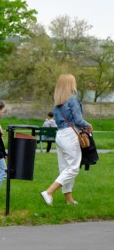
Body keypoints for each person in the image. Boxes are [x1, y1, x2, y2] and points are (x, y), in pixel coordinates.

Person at [41, 74, 93, 206]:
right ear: (71, 84)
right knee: (74, 167)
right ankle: (49, 192)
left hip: (60, 135)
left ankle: (68, 199)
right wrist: (88, 125)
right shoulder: (72, 100)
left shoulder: (57, 103)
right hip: (70, 134)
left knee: (65, 167)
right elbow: (78, 120)